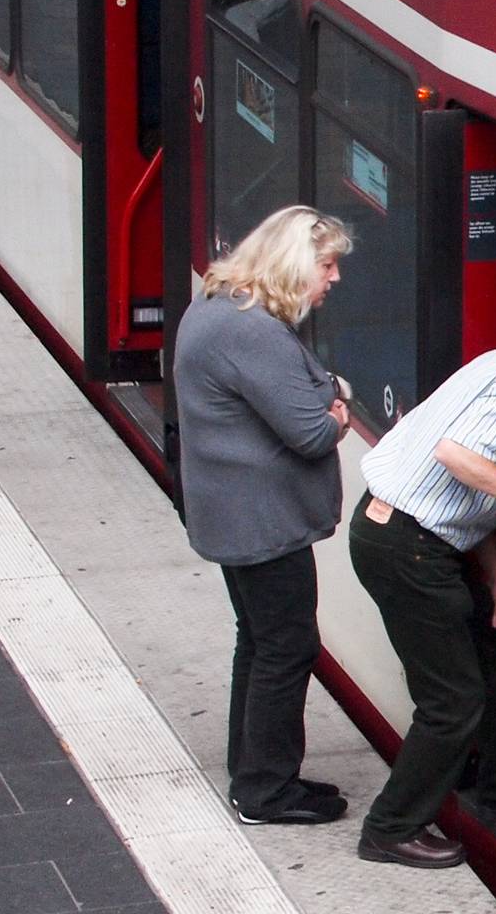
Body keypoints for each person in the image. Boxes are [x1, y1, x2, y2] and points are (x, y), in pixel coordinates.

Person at [349, 345, 496, 869]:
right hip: (407, 546)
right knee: (453, 701)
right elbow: (455, 454)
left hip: (431, 539)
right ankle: (389, 827)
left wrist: (494, 573)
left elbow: (466, 492)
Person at [174, 205, 357, 827]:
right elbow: (311, 429)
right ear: (293, 264)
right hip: (261, 523)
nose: (333, 278)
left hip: (235, 516)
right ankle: (265, 793)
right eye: (326, 265)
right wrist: (336, 412)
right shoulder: (251, 331)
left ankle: (253, 771)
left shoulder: (216, 306)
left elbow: (310, 382)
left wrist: (325, 393)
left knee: (258, 641)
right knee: (288, 647)